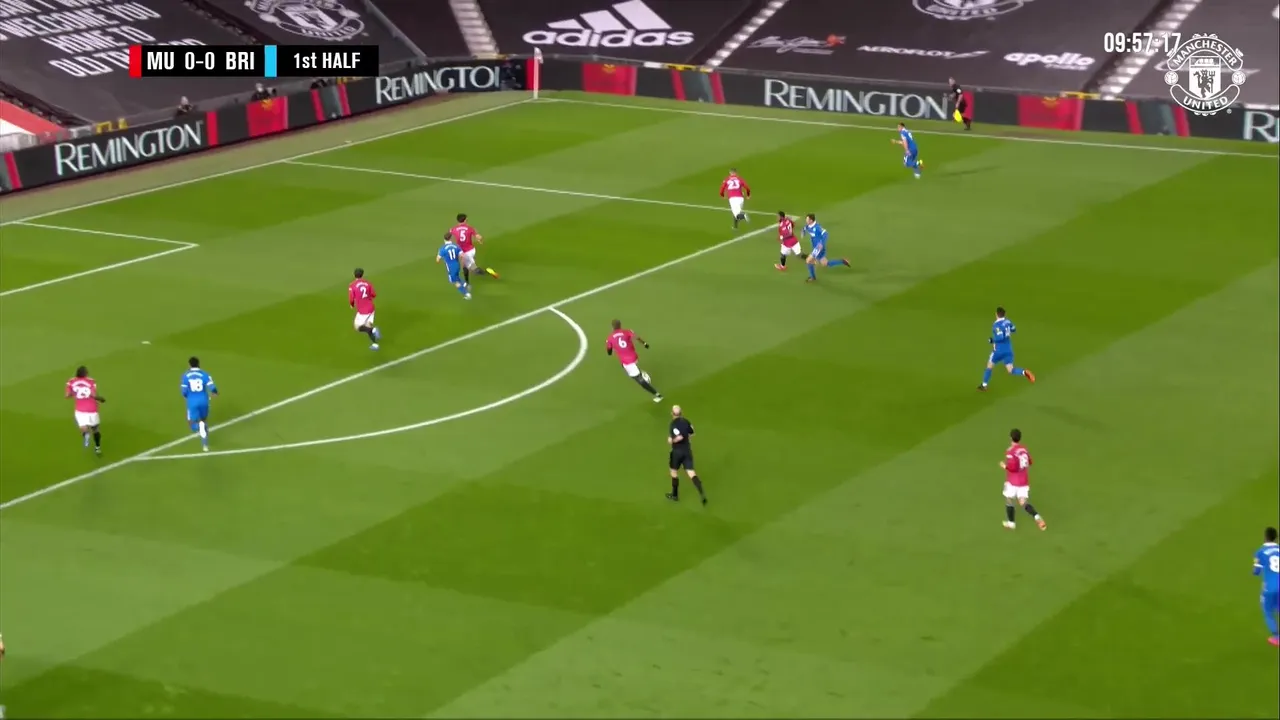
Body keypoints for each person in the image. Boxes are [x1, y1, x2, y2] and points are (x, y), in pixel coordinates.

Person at [666, 405, 705, 504]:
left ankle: (675, 495)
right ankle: (701, 492)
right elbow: (692, 432)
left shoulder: (673, 424)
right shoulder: (686, 421)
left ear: (672, 414)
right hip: (687, 451)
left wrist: (671, 440)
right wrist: (687, 438)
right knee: (691, 473)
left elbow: (679, 437)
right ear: (681, 413)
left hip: (677, 452)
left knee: (673, 472)